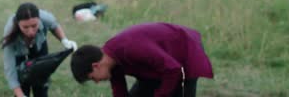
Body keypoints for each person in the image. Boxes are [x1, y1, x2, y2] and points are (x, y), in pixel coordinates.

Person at [70, 22, 213, 97]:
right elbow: (119, 90)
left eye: (92, 78)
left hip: (183, 53)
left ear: (95, 66)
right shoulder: (110, 61)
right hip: (157, 68)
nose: (96, 81)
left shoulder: (131, 49)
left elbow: (174, 70)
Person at [1, 2, 78, 97]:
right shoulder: (9, 34)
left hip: (39, 47)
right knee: (22, 84)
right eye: (25, 27)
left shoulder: (45, 17)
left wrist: (64, 40)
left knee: (41, 85)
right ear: (18, 23)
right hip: (19, 54)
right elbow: (10, 70)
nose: (30, 32)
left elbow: (54, 25)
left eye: (34, 26)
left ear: (39, 20)